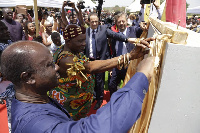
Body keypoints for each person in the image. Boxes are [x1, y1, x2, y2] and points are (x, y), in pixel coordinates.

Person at [1, 40, 155, 133]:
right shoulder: (35, 125)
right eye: (48, 65)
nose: (55, 68)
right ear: (28, 78)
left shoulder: (36, 97)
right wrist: (141, 76)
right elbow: (97, 130)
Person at [49, 24, 153, 120]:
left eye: (84, 40)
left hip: (79, 109)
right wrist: (129, 56)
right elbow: (89, 67)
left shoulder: (75, 52)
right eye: (79, 41)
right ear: (68, 41)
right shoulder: (65, 59)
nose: (84, 44)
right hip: (67, 111)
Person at [85, 12, 142, 110]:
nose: (94, 23)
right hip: (92, 61)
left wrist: (128, 39)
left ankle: (104, 100)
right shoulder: (86, 31)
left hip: (121, 62)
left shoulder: (104, 29)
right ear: (88, 22)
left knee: (102, 82)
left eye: (96, 21)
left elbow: (117, 35)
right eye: (92, 22)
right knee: (105, 84)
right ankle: (104, 99)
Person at [109, 13, 145, 96]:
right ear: (116, 23)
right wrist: (111, 68)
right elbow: (114, 52)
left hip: (129, 65)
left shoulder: (133, 30)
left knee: (129, 86)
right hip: (117, 64)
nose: (121, 23)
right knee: (112, 85)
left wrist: (141, 24)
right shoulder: (114, 36)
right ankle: (114, 102)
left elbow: (141, 29)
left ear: (126, 21)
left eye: (123, 21)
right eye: (119, 22)